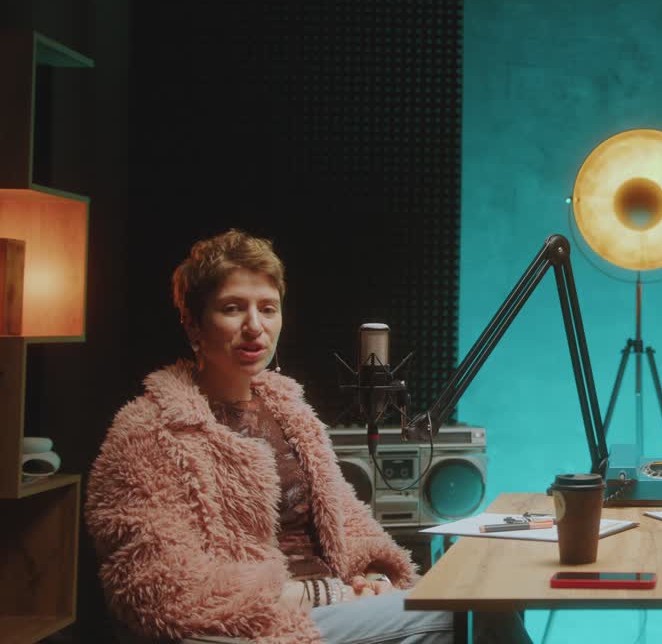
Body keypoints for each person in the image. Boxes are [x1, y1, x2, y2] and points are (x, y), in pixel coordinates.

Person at [86, 230, 531, 644]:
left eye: (267, 307)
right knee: (468, 614)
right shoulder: (149, 430)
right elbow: (155, 583)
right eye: (232, 308)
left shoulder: (290, 414)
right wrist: (320, 595)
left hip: (332, 608)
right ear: (194, 327)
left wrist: (371, 576)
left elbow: (348, 525)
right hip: (252, 625)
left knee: (486, 603)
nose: (254, 326)